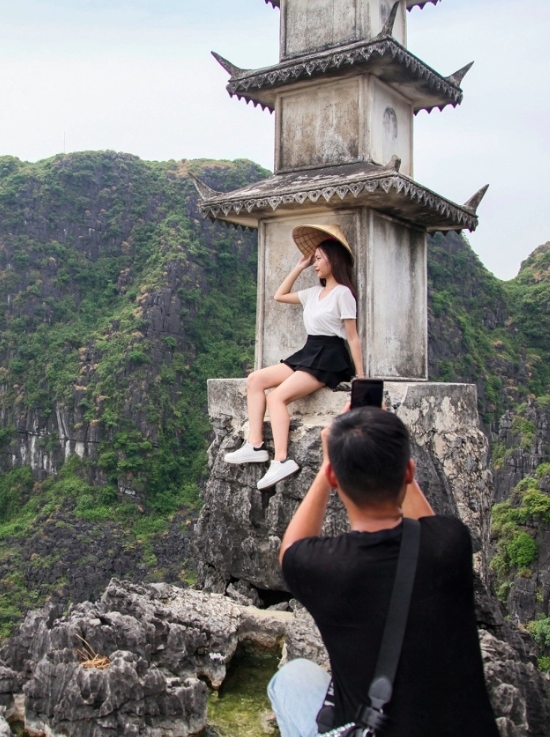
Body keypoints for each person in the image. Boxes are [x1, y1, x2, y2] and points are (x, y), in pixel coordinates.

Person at [267, 406, 499, 737]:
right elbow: (427, 525)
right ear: (409, 471)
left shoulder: (323, 567)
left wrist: (327, 465)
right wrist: (386, 445)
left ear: (334, 479)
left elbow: (291, 547)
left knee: (289, 680)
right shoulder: (452, 543)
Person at [224, 224, 364, 490]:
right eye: (314, 259)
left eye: (319, 258)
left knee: (277, 397)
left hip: (329, 357)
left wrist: (361, 376)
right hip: (309, 351)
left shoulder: (343, 294)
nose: (315, 264)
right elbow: (279, 295)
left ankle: (281, 460)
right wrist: (299, 266)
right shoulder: (313, 294)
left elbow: (353, 337)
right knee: (255, 380)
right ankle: (255, 445)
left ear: (334, 259)